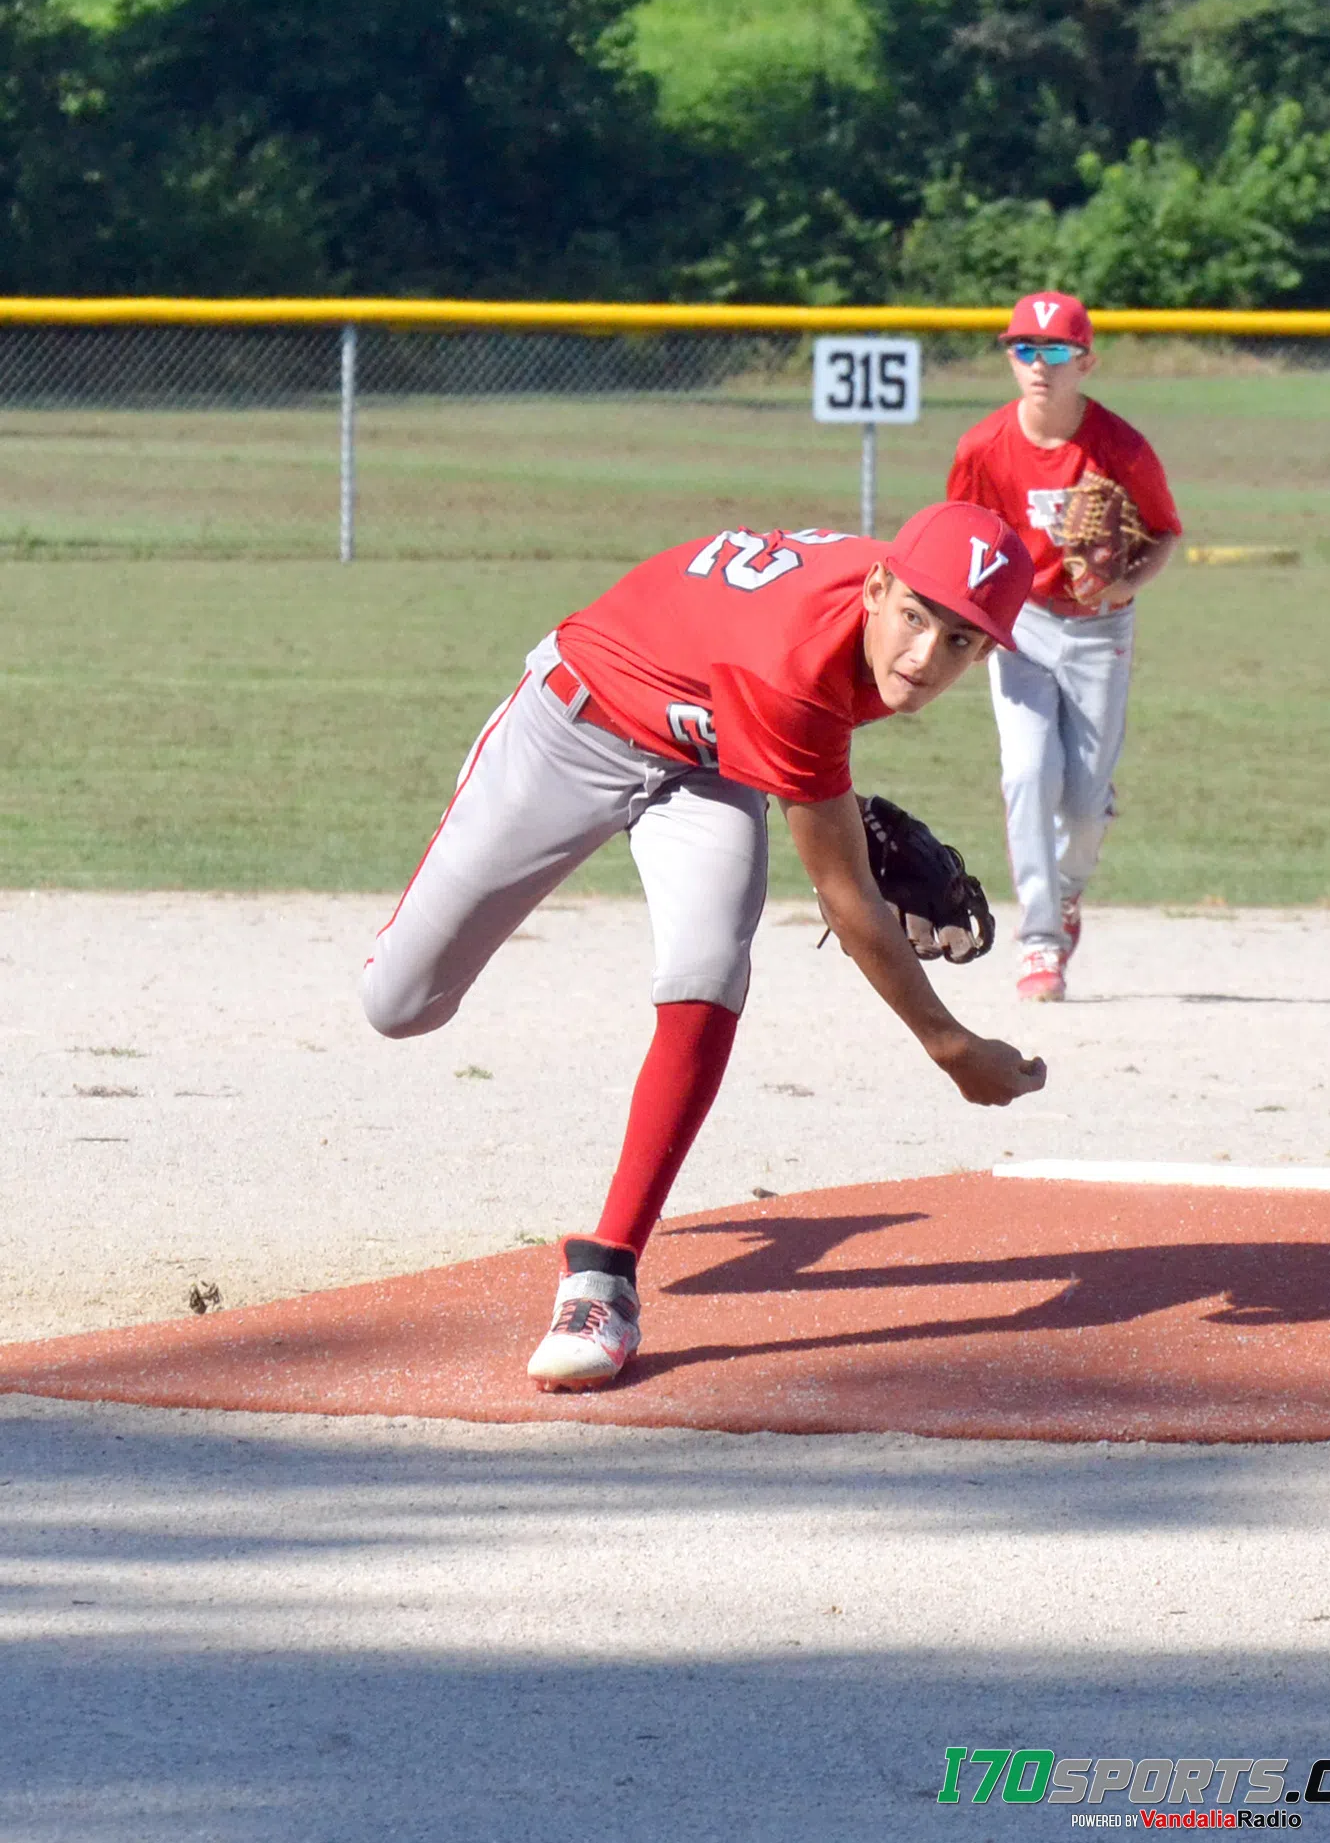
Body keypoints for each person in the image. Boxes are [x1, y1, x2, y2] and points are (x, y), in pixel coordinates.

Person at [362, 503, 1047, 1392]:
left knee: (711, 965)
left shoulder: (884, 608)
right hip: (576, 721)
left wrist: (827, 807)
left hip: (712, 761)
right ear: (878, 587)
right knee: (399, 1005)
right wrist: (955, 1047)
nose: (924, 656)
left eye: (960, 641)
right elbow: (845, 898)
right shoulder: (800, 662)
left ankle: (602, 1276)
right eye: (915, 618)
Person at [946, 292, 1182, 1002]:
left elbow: (1165, 530)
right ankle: (1040, 942)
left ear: (1086, 361)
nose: (1038, 365)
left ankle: (1068, 893)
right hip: (1020, 624)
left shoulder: (1121, 446)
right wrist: (971, 621)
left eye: (1054, 351)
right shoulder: (983, 447)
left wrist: (1125, 582)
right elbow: (966, 538)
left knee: (1082, 805)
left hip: (1101, 629)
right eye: (1023, 349)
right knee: (1026, 774)